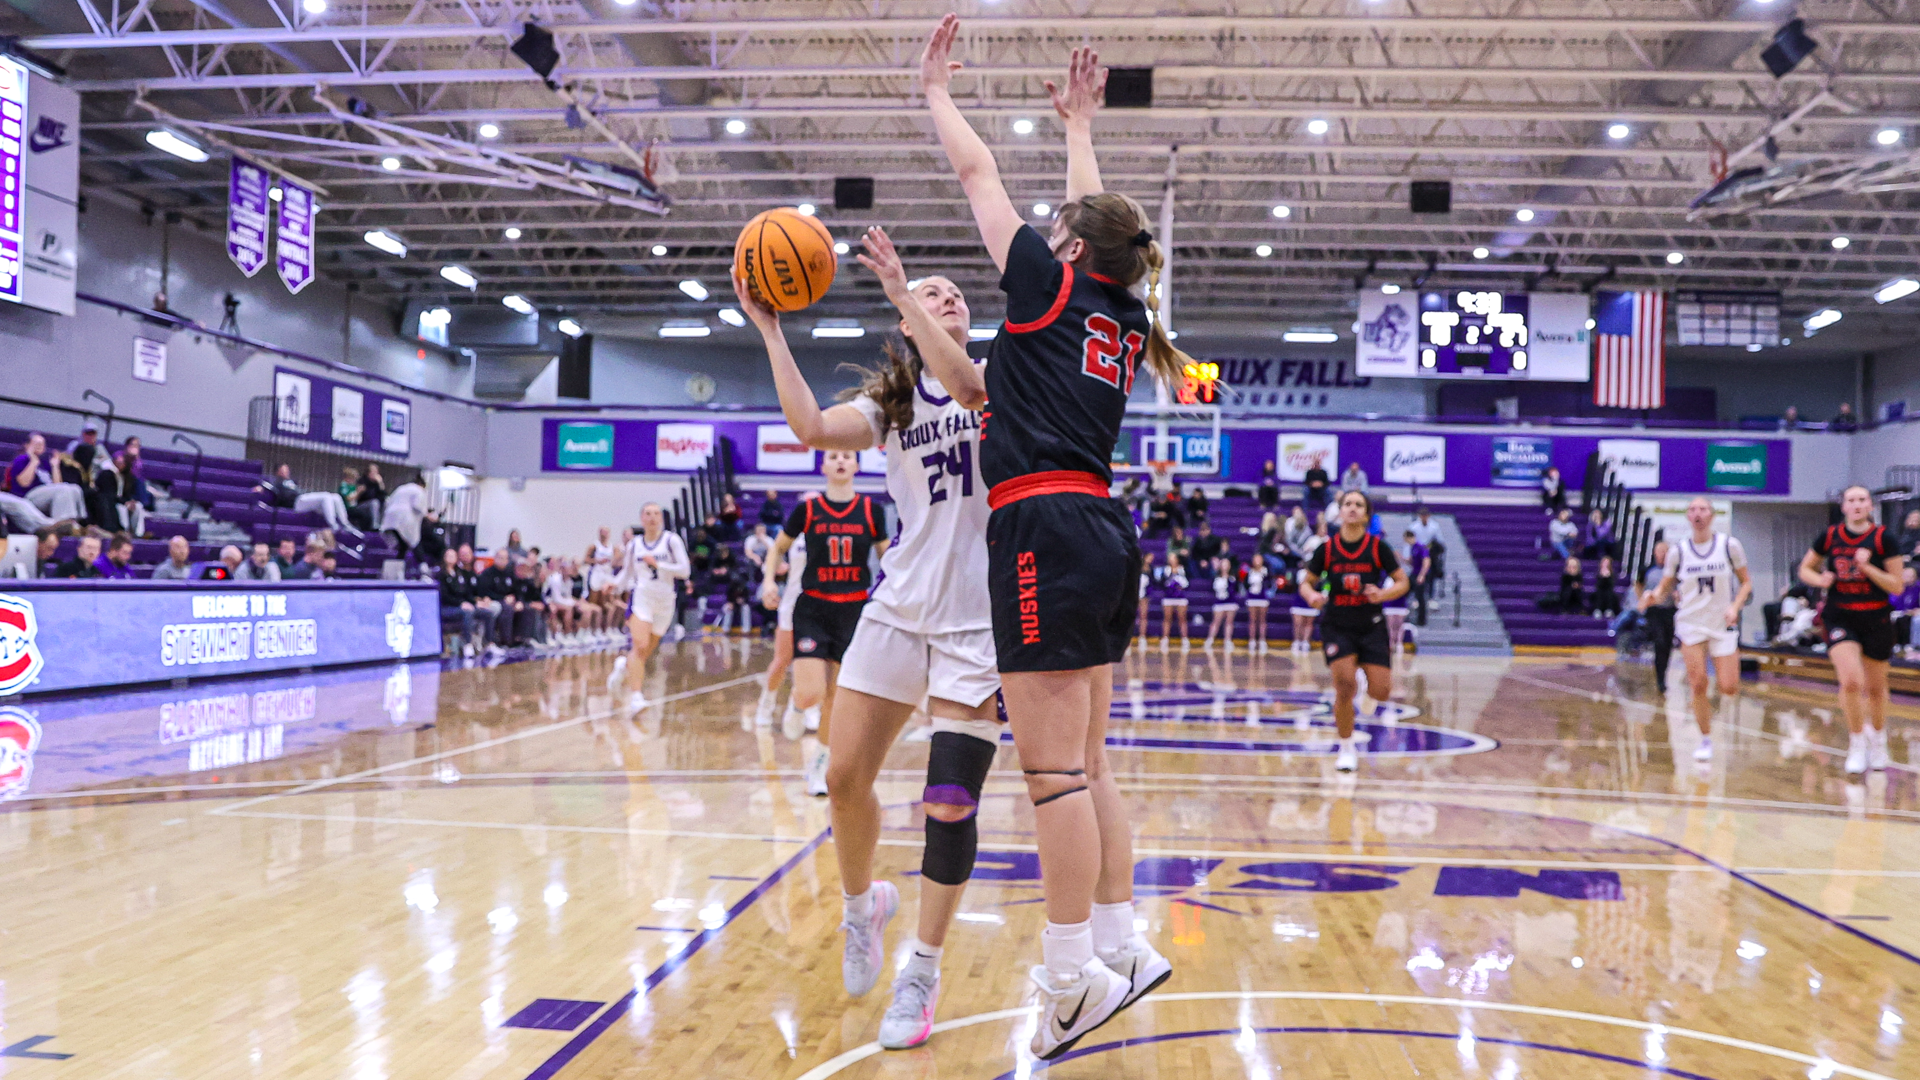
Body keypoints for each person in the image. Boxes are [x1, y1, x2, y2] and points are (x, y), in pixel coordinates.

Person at [918, 25, 1174, 1056]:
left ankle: (1071, 977)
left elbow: (978, 170)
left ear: (1064, 247)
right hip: (1101, 526)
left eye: (1059, 223)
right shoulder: (1119, 305)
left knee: (1055, 778)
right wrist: (1078, 130)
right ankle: (1121, 940)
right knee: (1091, 764)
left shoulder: (1051, 279)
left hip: (1044, 524)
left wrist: (933, 91)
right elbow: (1100, 223)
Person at [741, 241, 1012, 1049]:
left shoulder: (1000, 380)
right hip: (897, 610)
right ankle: (863, 910)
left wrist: (905, 291)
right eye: (933, 293)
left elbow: (967, 381)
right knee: (843, 774)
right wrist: (771, 332)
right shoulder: (893, 402)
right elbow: (812, 426)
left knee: (949, 801)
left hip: (976, 622)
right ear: (903, 318)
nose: (949, 296)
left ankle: (921, 974)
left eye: (957, 293)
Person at [754, 451, 888, 796]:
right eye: (833, 456)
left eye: (847, 456)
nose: (841, 461)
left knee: (836, 697)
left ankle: (820, 763)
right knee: (812, 690)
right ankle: (798, 705)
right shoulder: (808, 510)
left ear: (857, 466)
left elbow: (889, 558)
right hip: (813, 607)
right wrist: (769, 581)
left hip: (853, 609)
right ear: (824, 466)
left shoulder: (872, 511)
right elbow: (777, 549)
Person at [1298, 489, 1409, 772]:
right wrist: (1311, 596)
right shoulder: (1327, 548)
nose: (1352, 508)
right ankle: (1346, 748)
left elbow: (1402, 582)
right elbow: (1306, 582)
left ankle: (1370, 697)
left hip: (1371, 625)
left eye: (1359, 505)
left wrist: (1383, 595)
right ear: (1339, 511)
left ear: (1367, 514)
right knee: (1345, 684)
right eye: (1347, 503)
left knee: (1382, 691)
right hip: (1338, 625)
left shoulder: (1377, 547)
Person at [1800, 484, 1904, 775]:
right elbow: (1806, 569)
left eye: (1862, 500)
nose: (1857, 505)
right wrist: (1821, 580)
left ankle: (1879, 739)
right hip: (1840, 617)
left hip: (1876, 618)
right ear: (1843, 507)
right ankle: (1857, 741)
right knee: (1851, 682)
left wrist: (1868, 568)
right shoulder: (1831, 536)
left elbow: (1896, 584)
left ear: (1870, 506)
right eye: (1851, 500)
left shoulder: (1885, 539)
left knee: (1876, 688)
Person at [1650, 498, 1752, 763]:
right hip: (1691, 622)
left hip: (1722, 622)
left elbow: (1746, 583)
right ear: (1687, 516)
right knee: (1698, 683)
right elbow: (1665, 585)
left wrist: (1735, 606)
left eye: (1703, 509)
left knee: (1729, 686)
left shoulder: (1729, 546)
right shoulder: (1679, 551)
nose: (1698, 513)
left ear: (1712, 515)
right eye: (1693, 509)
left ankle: (1712, 711)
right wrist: (1654, 595)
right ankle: (1705, 738)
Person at [607, 503, 692, 701]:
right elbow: (626, 574)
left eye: (656, 514)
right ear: (642, 518)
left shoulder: (672, 540)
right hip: (642, 598)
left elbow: (685, 571)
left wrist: (659, 564)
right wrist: (613, 584)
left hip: (665, 600)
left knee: (645, 652)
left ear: (661, 519)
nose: (652, 517)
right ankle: (636, 697)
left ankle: (623, 666)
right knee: (640, 644)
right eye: (648, 514)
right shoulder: (634, 545)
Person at [257, 464, 358, 535]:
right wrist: (261, 488)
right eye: (284, 469)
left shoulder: (291, 481)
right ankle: (333, 525)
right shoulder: (275, 480)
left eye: (287, 469)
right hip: (295, 503)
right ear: (278, 471)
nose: (287, 471)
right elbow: (266, 485)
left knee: (336, 497)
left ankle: (346, 524)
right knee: (326, 496)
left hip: (303, 499)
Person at [8, 433, 87, 522]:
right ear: (27, 445)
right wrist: (33, 461)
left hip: (46, 495)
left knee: (74, 488)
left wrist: (55, 466)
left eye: (41, 444)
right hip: (28, 497)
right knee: (64, 489)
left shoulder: (45, 464)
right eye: (36, 443)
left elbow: (57, 485)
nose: (39, 446)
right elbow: (24, 483)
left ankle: (77, 522)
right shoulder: (21, 460)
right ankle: (61, 524)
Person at [437, 547, 494, 656]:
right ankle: (467, 644)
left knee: (487, 613)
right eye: (449, 556)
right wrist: (461, 604)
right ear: (444, 558)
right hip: (447, 607)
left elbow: (467, 593)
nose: (451, 558)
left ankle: (489, 643)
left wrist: (475, 603)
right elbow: (444, 596)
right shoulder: (441, 575)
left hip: (462, 605)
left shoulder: (460, 574)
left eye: (453, 556)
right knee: (468, 612)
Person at [1202, 556, 1238, 650]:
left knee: (1229, 622)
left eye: (1227, 564)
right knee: (1216, 622)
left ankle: (1228, 640)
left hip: (1230, 602)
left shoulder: (1232, 578)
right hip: (1219, 602)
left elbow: (1234, 590)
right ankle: (1210, 640)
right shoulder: (1216, 577)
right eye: (1223, 563)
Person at [1159, 553, 1190, 649]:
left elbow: (1187, 582)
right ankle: (1165, 638)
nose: (1171, 560)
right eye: (1170, 558)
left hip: (1180, 597)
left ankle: (1185, 639)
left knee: (1182, 618)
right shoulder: (1165, 570)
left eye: (1173, 557)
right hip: (1168, 597)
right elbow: (1162, 582)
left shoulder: (1183, 569)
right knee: (1167, 618)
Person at [1244, 557, 1275, 651]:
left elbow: (1270, 583)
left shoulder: (1266, 571)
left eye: (1259, 559)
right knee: (1252, 620)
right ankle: (1252, 640)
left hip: (1262, 597)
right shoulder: (1249, 571)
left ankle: (1262, 640)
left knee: (1262, 620)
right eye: (1255, 559)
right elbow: (1245, 584)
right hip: (1252, 597)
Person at [1401, 529, 1430, 627]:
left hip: (1419, 575)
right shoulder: (1412, 548)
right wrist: (1401, 558)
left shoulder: (1421, 547)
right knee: (1404, 592)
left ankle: (1422, 620)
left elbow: (1426, 562)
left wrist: (1422, 575)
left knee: (1420, 598)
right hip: (1413, 573)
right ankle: (1403, 614)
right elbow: (1412, 562)